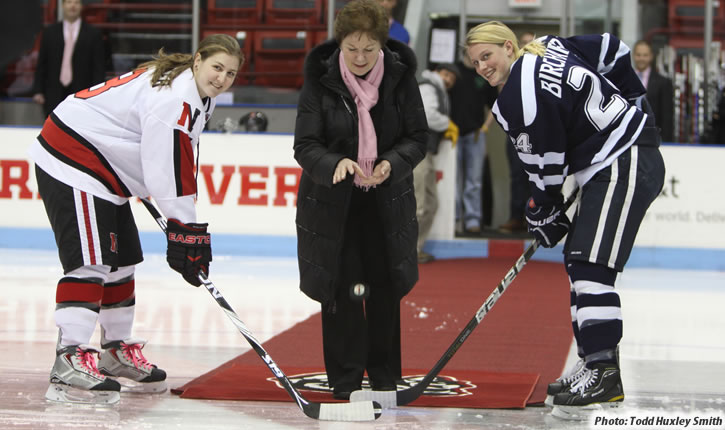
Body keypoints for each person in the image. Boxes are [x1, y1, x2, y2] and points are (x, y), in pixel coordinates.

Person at [29, 34, 244, 405]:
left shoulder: (197, 95)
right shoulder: (175, 98)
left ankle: (114, 352)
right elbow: (167, 166)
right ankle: (69, 358)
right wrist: (185, 229)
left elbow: (176, 157)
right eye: (217, 67)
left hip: (105, 168)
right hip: (73, 158)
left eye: (231, 73)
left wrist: (184, 225)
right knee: (92, 260)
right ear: (197, 60)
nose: (222, 78)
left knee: (123, 260)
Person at [466, 22, 665, 415]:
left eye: (486, 56)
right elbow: (612, 48)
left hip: (622, 160)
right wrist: (634, 100)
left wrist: (542, 208)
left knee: (591, 267)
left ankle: (605, 371)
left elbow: (545, 166)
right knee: (579, 262)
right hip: (620, 156)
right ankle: (592, 361)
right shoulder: (547, 44)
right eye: (474, 63)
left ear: (508, 46)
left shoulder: (515, 98)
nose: (482, 68)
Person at [293, 0, 427, 400]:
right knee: (343, 290)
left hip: (387, 202)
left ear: (383, 45)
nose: (360, 57)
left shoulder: (401, 79)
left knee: (385, 287)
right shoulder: (320, 78)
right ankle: (345, 376)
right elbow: (305, 144)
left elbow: (417, 138)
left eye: (369, 48)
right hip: (334, 205)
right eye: (352, 48)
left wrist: (391, 163)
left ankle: (385, 374)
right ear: (340, 44)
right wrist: (335, 163)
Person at [32, 0, 106, 118]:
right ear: (63, 6)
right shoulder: (49, 32)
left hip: (82, 93)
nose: (72, 6)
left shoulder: (94, 34)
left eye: (76, 2)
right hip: (53, 92)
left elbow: (98, 67)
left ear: (81, 6)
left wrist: (97, 94)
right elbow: (42, 63)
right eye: (69, 2)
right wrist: (38, 90)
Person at [415, 63, 459, 262]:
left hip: (427, 152)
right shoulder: (428, 87)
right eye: (446, 74)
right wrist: (446, 123)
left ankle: (414, 249)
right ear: (436, 72)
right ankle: (406, 252)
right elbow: (428, 115)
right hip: (417, 152)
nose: (448, 79)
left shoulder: (436, 90)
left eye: (452, 78)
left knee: (430, 204)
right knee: (420, 205)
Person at [449, 54, 497, 236]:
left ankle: (473, 220)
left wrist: (485, 127)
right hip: (452, 135)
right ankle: (454, 220)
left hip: (475, 134)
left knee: (474, 181)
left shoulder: (483, 74)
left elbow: (496, 104)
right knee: (454, 180)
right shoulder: (454, 71)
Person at [498, 30, 536, 234]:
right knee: (517, 176)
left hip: (539, 134)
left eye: (532, 43)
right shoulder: (510, 69)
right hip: (515, 132)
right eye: (524, 43)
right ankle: (516, 218)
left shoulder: (544, 70)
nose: (528, 47)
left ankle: (536, 218)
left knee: (538, 176)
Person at [632, 40, 675, 142]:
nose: (641, 58)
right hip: (630, 135)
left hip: (653, 137)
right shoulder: (624, 79)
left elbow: (667, 116)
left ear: (651, 56)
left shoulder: (663, 82)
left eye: (645, 55)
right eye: (638, 55)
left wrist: (666, 140)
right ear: (633, 56)